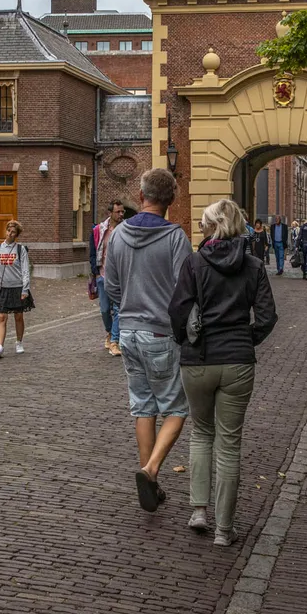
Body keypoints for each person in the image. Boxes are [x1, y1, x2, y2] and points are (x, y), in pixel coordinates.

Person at [169, 199, 278, 547]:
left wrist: (184, 340)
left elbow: (178, 310)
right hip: (237, 361)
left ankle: (199, 510)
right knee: (230, 444)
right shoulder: (254, 266)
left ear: (211, 226)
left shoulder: (195, 263)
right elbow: (266, 317)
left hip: (198, 360)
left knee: (201, 433)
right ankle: (223, 530)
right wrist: (246, 341)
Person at [104, 168, 191, 513]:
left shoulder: (119, 234)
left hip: (127, 331)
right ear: (172, 201)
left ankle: (151, 485)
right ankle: (151, 469)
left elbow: (110, 286)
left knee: (142, 405)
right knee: (176, 407)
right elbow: (184, 290)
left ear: (141, 196)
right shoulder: (175, 238)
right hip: (160, 332)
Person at [0, 220, 32, 358]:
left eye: (13, 232)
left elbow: (25, 270)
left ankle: (19, 342)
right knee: (1, 317)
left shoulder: (20, 249)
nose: (10, 234)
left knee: (18, 316)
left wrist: (25, 289)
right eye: (9, 231)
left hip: (17, 287)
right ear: (5, 231)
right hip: (3, 288)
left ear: (16, 235)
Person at [90, 200, 126, 356]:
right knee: (105, 310)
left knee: (118, 309)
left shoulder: (127, 230)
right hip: (103, 275)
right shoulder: (99, 230)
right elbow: (92, 252)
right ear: (110, 213)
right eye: (118, 212)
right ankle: (110, 332)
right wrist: (96, 272)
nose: (121, 215)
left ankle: (114, 342)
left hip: (120, 276)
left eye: (122, 212)